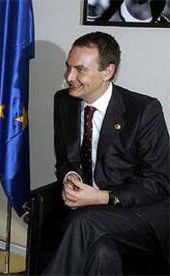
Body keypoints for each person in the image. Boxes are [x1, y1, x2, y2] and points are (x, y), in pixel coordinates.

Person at [44, 32, 169, 275]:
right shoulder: (64, 103)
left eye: (80, 69)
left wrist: (103, 197)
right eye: (68, 67)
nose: (69, 77)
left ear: (108, 72)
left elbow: (160, 181)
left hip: (141, 213)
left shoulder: (144, 110)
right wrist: (71, 177)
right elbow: (64, 160)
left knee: (83, 222)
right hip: (94, 213)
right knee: (103, 252)